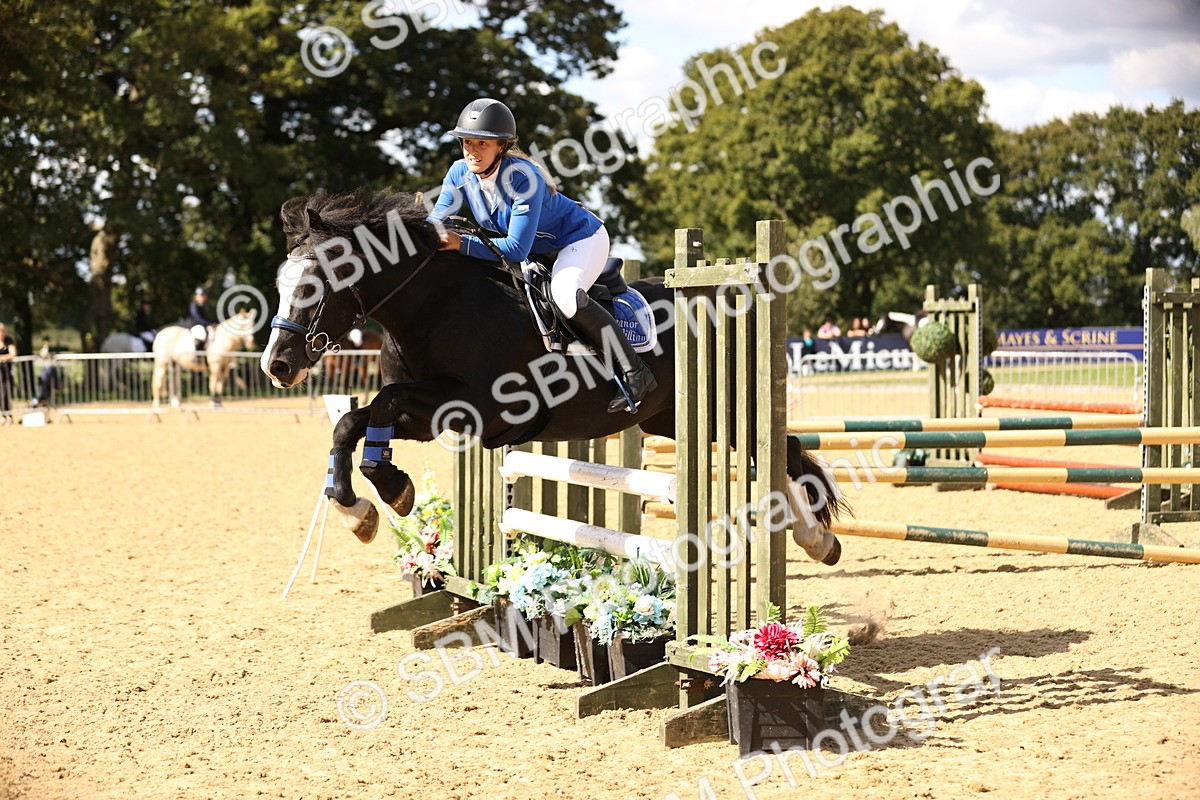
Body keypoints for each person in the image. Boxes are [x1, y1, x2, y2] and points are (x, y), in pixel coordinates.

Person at [427, 98, 656, 413]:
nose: (472, 150)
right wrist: (422, 231)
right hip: (538, 248)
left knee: (565, 296)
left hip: (579, 239)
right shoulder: (458, 174)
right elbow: (439, 218)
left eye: (482, 143)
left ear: (502, 146)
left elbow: (515, 248)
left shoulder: (523, 178)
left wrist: (460, 244)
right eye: (467, 141)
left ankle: (635, 371)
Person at [186, 288, 211, 354]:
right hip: (194, 325)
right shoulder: (194, 305)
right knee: (201, 334)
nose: (201, 298)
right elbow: (197, 318)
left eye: (203, 296)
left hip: (202, 325)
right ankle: (197, 354)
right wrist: (208, 323)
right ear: (196, 297)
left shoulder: (204, 306)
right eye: (200, 296)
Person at [0, 322, 16, 422]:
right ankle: (1, 415)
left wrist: (2, 358)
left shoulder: (8, 340)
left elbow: (13, 354)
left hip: (6, 372)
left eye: (2, 331)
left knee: (5, 393)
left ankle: (8, 415)